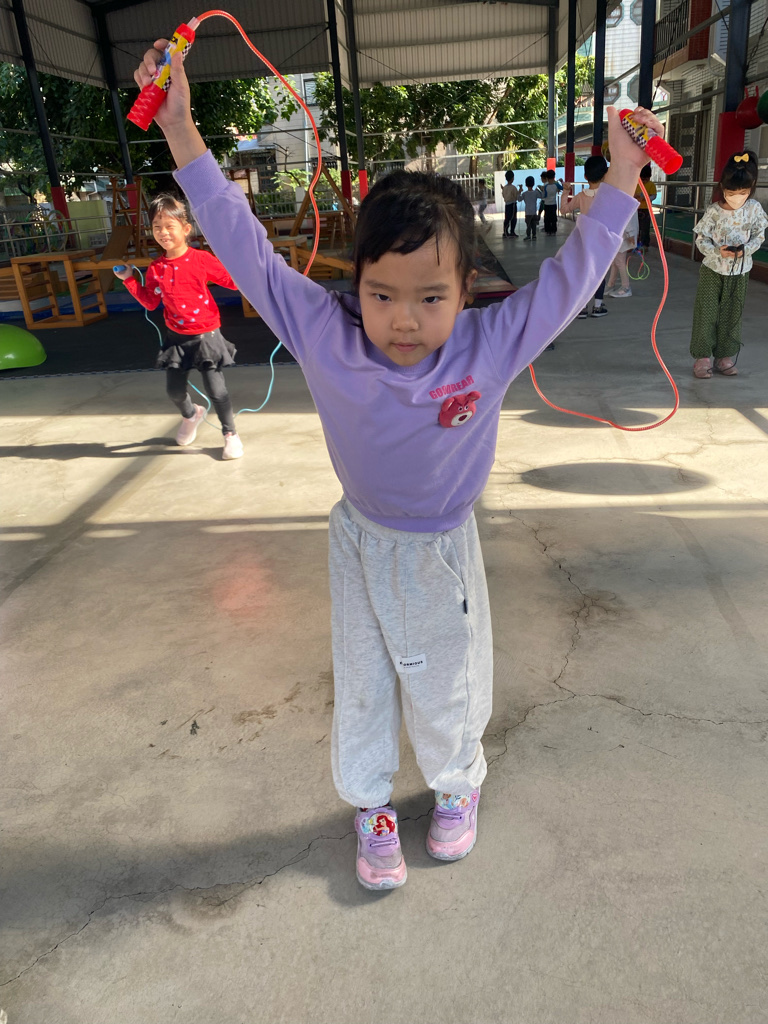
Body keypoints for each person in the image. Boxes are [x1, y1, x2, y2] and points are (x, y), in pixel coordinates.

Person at [135, 39, 655, 890]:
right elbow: (241, 241)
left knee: (446, 682)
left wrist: (623, 176)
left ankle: (456, 785)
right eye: (382, 295)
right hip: (359, 537)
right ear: (356, 284)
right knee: (365, 680)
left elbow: (570, 277)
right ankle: (370, 804)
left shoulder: (491, 344)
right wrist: (182, 129)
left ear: (467, 291)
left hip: (440, 547)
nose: (404, 319)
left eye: (430, 297)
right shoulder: (322, 331)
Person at [115, 194, 244, 460]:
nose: (163, 232)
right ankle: (191, 414)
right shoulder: (156, 268)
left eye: (169, 226)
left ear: (186, 229)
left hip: (207, 336)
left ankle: (230, 434)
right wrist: (129, 279)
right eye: (157, 227)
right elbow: (151, 302)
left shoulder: (201, 259)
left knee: (216, 390)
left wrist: (246, 264)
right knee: (174, 391)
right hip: (176, 338)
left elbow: (233, 281)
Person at [690, 150, 767, 378]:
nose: (737, 197)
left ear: (751, 188)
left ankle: (724, 356)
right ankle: (702, 358)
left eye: (743, 192)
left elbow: (759, 236)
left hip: (740, 272)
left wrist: (745, 251)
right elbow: (701, 239)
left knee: (732, 314)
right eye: (732, 192)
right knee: (706, 313)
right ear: (722, 187)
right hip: (712, 270)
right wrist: (717, 251)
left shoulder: (754, 209)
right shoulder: (714, 211)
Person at [561, 155, 610, 318]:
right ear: (605, 175)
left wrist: (566, 191)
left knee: (583, 274)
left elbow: (564, 210)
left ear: (585, 176)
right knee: (599, 273)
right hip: (601, 241)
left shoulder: (581, 196)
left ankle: (581, 308)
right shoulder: (607, 195)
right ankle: (597, 306)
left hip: (583, 240)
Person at [605, 207, 638, 298]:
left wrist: (630, 234)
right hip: (619, 233)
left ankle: (626, 287)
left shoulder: (627, 202)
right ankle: (611, 285)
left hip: (624, 235)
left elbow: (628, 217)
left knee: (619, 261)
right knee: (615, 262)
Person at [634, 164, 657, 250]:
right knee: (636, 227)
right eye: (642, 179)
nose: (643, 181)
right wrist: (635, 196)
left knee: (645, 228)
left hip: (646, 209)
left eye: (645, 179)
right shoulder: (636, 184)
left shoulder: (651, 185)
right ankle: (636, 244)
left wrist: (646, 197)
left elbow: (654, 196)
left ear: (649, 177)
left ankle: (645, 245)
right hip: (636, 208)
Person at [542, 170, 561, 235]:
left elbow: (544, 195)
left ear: (547, 178)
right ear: (554, 177)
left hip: (547, 204)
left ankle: (548, 230)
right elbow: (562, 188)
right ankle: (553, 230)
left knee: (547, 217)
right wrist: (562, 182)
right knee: (553, 217)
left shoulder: (546, 186)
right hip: (553, 203)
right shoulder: (556, 185)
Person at [501, 170, 519, 237]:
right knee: (513, 218)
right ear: (512, 178)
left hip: (507, 205)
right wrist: (520, 191)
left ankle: (505, 232)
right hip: (513, 205)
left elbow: (503, 195)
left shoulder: (504, 188)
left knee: (507, 218)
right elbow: (516, 196)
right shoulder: (513, 187)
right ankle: (512, 232)